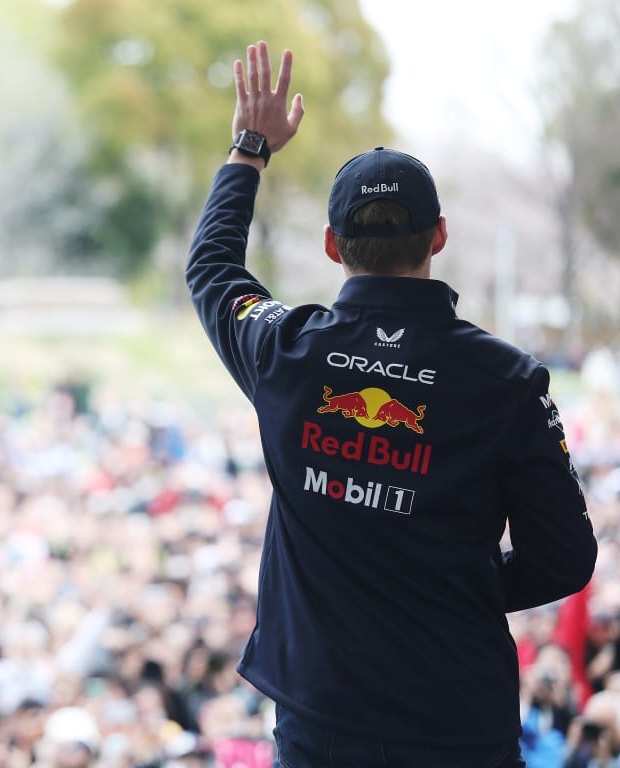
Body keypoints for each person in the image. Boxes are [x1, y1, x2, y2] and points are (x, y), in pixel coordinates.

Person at [185, 41, 598, 767]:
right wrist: (456, 591)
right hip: (459, 720)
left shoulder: (287, 351)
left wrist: (250, 149)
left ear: (330, 245)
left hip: (321, 716)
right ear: (439, 236)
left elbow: (214, 269)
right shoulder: (506, 380)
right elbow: (564, 557)